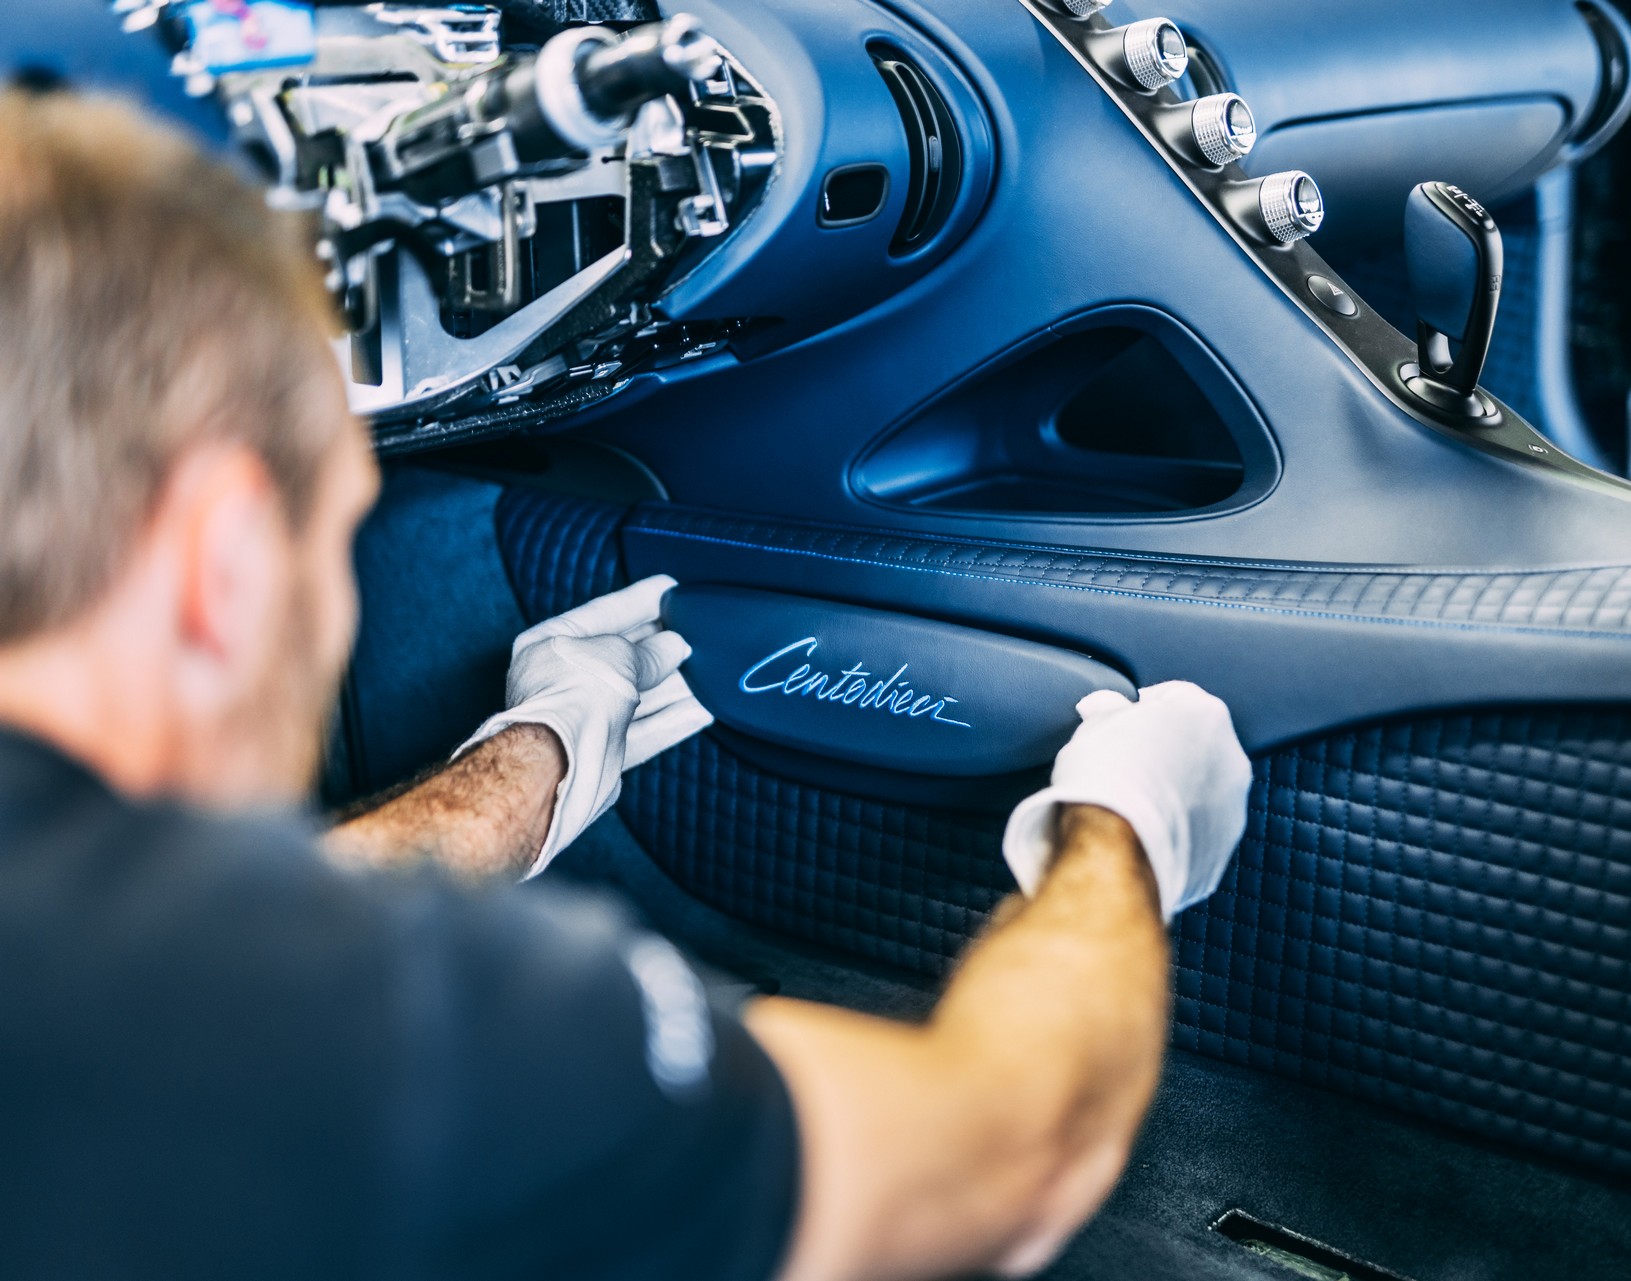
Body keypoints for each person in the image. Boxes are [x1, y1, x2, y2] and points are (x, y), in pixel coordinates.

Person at [0, 87, 1254, 1280]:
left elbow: (198, 971)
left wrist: (535, 758)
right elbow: (1001, 1158)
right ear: (220, 558)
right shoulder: (396, 1037)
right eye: (333, 537)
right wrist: (1128, 836)